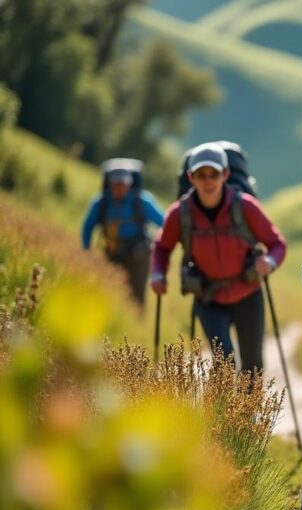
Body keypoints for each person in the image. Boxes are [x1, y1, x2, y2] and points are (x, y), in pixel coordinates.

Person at [150, 142, 286, 376]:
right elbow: (162, 247)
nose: (208, 180)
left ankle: (248, 413)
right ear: (191, 177)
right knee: (224, 363)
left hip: (248, 294)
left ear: (225, 174)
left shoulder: (245, 207)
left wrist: (270, 263)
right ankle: (224, 412)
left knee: (254, 365)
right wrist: (157, 273)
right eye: (201, 174)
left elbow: (277, 244)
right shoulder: (179, 214)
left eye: (214, 173)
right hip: (208, 298)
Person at [81, 159, 164, 305]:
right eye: (116, 183)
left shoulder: (143, 201)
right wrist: (87, 252)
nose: (119, 187)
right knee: (108, 293)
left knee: (136, 297)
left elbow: (164, 224)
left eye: (123, 183)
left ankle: (135, 324)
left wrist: (161, 248)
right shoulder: (101, 203)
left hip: (139, 256)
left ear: (130, 183)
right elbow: (87, 227)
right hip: (111, 253)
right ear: (110, 184)